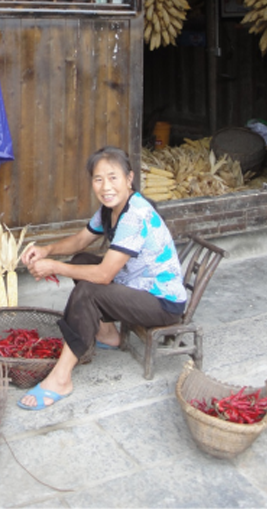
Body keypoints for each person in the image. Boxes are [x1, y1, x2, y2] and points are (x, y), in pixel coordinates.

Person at [18, 145, 187, 410]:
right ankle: (107, 334)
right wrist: (46, 250)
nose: (105, 186)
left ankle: (61, 379)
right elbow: (80, 241)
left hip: (161, 302)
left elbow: (104, 275)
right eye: (98, 179)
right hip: (135, 286)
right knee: (81, 260)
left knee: (89, 291)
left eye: (112, 177)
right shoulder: (110, 209)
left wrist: (54, 267)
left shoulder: (135, 215)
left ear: (129, 179)